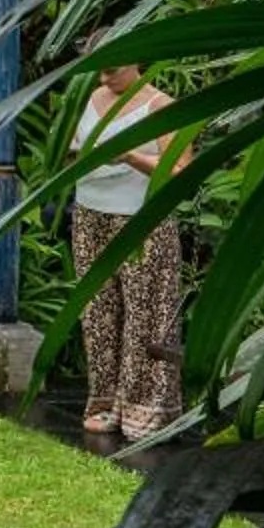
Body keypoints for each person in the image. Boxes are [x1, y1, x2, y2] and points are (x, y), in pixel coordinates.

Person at [70, 57, 184, 440]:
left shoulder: (160, 106)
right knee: (98, 314)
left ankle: (144, 410)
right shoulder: (91, 98)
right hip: (90, 216)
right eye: (100, 69)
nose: (105, 76)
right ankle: (104, 403)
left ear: (135, 60)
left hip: (141, 221)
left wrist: (131, 156)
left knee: (145, 315)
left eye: (112, 69)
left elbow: (181, 170)